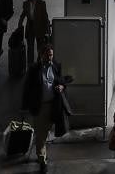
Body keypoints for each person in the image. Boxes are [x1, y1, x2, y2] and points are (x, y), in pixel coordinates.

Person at [22, 45, 74, 174]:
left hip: (54, 104)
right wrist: (23, 107)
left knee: (47, 132)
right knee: (41, 135)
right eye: (48, 55)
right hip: (41, 106)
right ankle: (42, 161)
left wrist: (62, 86)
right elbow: (27, 89)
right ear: (41, 55)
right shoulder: (34, 70)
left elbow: (60, 80)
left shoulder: (55, 66)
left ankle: (42, 151)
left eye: (51, 55)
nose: (50, 57)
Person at [21, 0, 51, 67]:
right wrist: (19, 25)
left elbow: (45, 16)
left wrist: (47, 29)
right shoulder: (26, 4)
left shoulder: (41, 3)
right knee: (30, 48)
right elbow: (23, 15)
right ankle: (30, 65)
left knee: (40, 48)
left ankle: (39, 64)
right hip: (30, 27)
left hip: (40, 28)